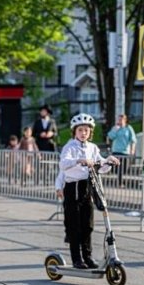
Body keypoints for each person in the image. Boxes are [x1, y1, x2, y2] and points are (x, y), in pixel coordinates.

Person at [58, 113, 120, 269]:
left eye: (86, 130)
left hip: (88, 187)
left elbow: (100, 166)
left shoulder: (93, 148)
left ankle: (88, 256)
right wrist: (79, 160)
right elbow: (63, 164)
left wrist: (109, 161)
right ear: (74, 131)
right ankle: (77, 259)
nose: (83, 133)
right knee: (74, 226)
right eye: (80, 130)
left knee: (88, 225)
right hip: (73, 188)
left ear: (90, 132)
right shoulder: (70, 147)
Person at [107, 114, 137, 186]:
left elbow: (133, 140)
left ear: (125, 120)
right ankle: (120, 183)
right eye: (118, 119)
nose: (119, 121)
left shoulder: (128, 128)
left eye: (121, 119)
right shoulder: (115, 128)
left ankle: (119, 182)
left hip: (125, 151)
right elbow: (110, 136)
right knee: (117, 168)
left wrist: (132, 150)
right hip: (116, 151)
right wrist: (115, 130)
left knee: (124, 169)